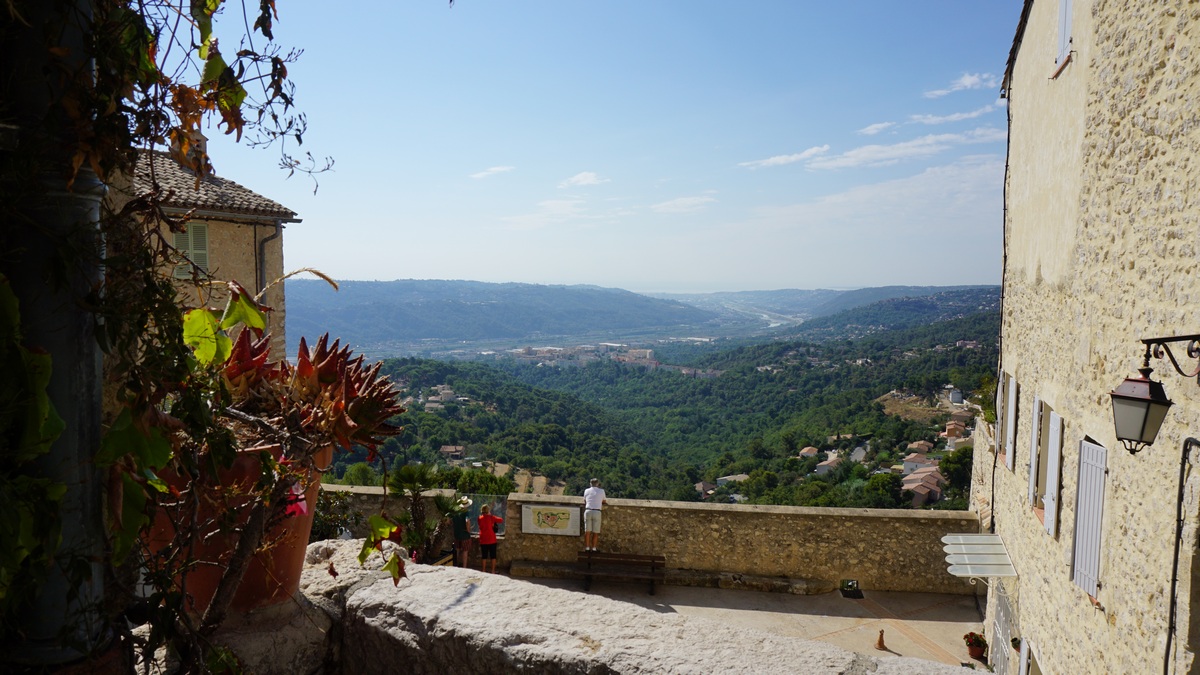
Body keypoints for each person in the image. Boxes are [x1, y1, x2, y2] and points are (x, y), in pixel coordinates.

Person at [476, 503, 504, 573]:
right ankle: (493, 570)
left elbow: (480, 524)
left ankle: (483, 570)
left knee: (484, 556)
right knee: (493, 556)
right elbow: (501, 520)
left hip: (483, 539)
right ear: (488, 510)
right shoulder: (491, 517)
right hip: (491, 539)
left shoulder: (479, 518)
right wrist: (491, 515)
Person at [582, 478, 607, 552]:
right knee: (595, 532)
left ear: (590, 483)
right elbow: (604, 501)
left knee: (587, 531)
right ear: (597, 484)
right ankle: (594, 548)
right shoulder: (601, 491)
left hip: (588, 510)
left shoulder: (586, 491)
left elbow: (585, 500)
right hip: (597, 511)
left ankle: (587, 548)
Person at [452, 496, 472, 568]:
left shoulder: (456, 512)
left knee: (457, 550)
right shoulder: (466, 512)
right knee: (465, 551)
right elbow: (467, 521)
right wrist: (468, 530)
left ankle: (455, 565)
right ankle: (464, 567)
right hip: (465, 535)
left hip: (457, 534)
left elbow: (449, 521)